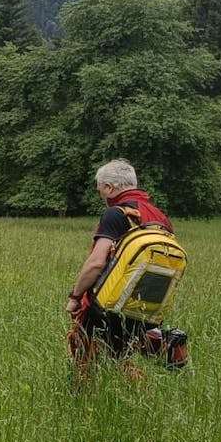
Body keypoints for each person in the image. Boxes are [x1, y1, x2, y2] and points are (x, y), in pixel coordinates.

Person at [66, 159, 188, 386]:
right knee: (120, 356)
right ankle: (137, 395)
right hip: (145, 307)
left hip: (108, 302)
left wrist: (75, 297)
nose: (101, 195)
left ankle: (81, 399)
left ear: (110, 188)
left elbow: (96, 262)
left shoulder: (117, 213)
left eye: (101, 190)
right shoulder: (160, 218)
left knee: (86, 357)